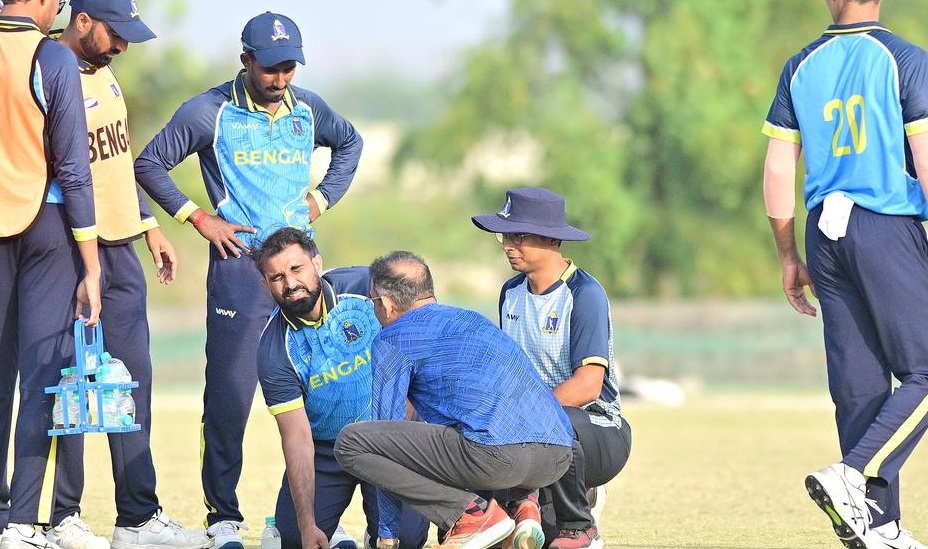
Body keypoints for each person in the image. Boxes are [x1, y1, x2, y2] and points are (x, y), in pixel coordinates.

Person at [133, 12, 363, 549]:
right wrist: (198, 217)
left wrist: (318, 200)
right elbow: (149, 163)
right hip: (240, 270)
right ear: (246, 61)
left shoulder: (307, 109)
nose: (281, 79)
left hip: (302, 272)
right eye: (271, 69)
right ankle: (223, 516)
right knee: (230, 397)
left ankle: (323, 511)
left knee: (326, 392)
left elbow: (349, 143)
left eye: (289, 68)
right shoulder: (209, 111)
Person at [38, 2, 208, 549]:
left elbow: (116, 161)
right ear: (83, 19)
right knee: (74, 384)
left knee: (130, 385)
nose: (123, 47)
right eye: (116, 33)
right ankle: (65, 516)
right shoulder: (48, 73)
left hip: (122, 249)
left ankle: (137, 517)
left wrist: (148, 223)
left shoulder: (106, 74)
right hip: (69, 249)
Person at [762, 1, 928, 548]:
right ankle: (852, 473)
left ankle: (878, 526)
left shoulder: (799, 67)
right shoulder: (903, 57)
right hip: (885, 225)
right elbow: (925, 159)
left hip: (823, 235)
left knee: (859, 390)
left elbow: (779, 168)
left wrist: (788, 255)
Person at [334, 251, 575, 549]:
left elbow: (386, 431)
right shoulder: (473, 319)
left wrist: (388, 533)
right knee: (469, 429)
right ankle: (522, 508)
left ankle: (470, 516)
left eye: (373, 302)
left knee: (351, 442)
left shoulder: (393, 337)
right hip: (558, 458)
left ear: (385, 303)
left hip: (497, 459)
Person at [472, 187, 632, 549]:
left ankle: (581, 524)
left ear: (550, 239)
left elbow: (589, 386)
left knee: (550, 421)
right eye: (505, 235)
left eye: (519, 236)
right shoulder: (510, 292)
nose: (507, 245)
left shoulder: (584, 294)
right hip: (532, 433)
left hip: (596, 430)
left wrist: (523, 413)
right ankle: (521, 503)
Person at [251, 228, 427, 549]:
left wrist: (405, 430)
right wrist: (306, 524)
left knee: (407, 541)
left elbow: (421, 323)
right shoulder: (273, 350)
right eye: (276, 277)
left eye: (296, 269)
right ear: (266, 285)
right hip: (328, 452)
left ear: (317, 264)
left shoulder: (365, 285)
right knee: (294, 540)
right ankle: (323, 529)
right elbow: (297, 438)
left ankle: (378, 532)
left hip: (390, 437)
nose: (290, 284)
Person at [0, 0, 103, 547]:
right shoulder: (52, 58)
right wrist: (91, 266)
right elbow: (74, 168)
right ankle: (20, 522)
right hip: (43, 224)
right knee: (41, 377)